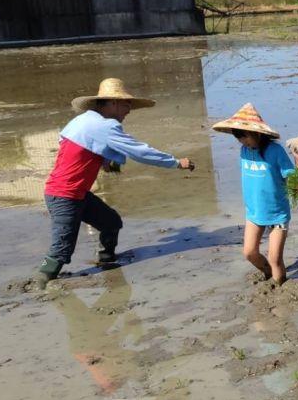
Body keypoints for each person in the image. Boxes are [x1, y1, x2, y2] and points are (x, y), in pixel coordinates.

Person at [34, 78, 194, 287]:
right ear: (111, 103)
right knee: (61, 249)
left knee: (111, 223)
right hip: (65, 195)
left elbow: (73, 146)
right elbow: (140, 151)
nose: (129, 109)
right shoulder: (105, 126)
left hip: (75, 193)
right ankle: (41, 285)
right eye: (126, 104)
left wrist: (104, 159)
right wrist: (175, 163)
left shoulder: (82, 121)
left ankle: (107, 260)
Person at [212, 103, 295, 284]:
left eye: (245, 137)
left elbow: (291, 174)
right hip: (254, 212)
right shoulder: (244, 151)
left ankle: (280, 287)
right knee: (249, 252)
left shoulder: (275, 151)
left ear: (257, 133)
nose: (243, 142)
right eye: (239, 138)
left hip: (277, 215)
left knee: (275, 259)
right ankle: (268, 276)